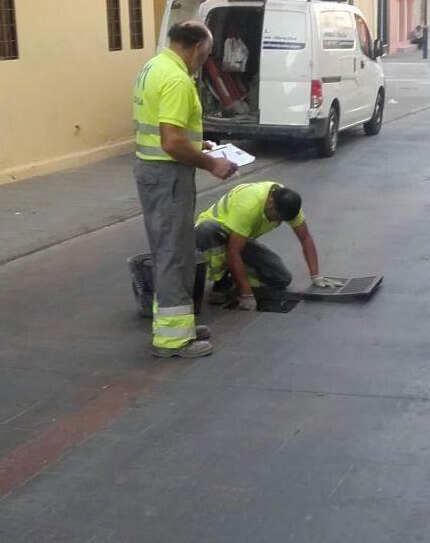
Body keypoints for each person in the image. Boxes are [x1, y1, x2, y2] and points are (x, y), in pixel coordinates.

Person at [133, 21, 238, 358]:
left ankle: (178, 324)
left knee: (169, 249)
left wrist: (198, 143)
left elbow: (168, 131)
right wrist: (212, 163)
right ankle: (173, 339)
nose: (201, 63)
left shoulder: (154, 66)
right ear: (195, 49)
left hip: (153, 172)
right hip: (168, 176)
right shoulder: (177, 79)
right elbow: (171, 141)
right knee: (173, 254)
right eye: (204, 56)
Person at [194, 182, 341, 311]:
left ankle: (237, 277)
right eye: (277, 217)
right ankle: (221, 281)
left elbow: (305, 238)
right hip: (215, 231)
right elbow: (233, 251)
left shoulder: (289, 204)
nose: (278, 221)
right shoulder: (249, 205)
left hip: (241, 237)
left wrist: (316, 276)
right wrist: (247, 295)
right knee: (208, 229)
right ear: (270, 202)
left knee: (281, 279)